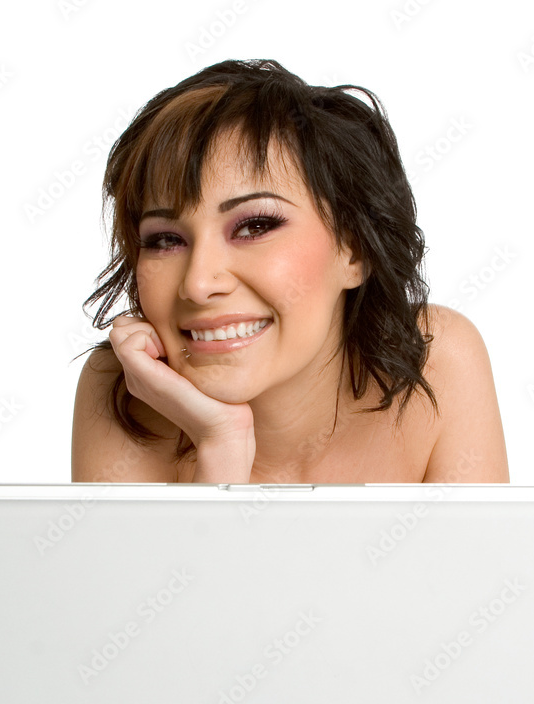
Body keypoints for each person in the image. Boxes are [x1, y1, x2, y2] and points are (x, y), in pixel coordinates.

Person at [71, 59, 508, 485]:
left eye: (255, 226)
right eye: (166, 239)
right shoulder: (122, 394)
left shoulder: (439, 364)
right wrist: (221, 445)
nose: (198, 284)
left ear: (354, 250)